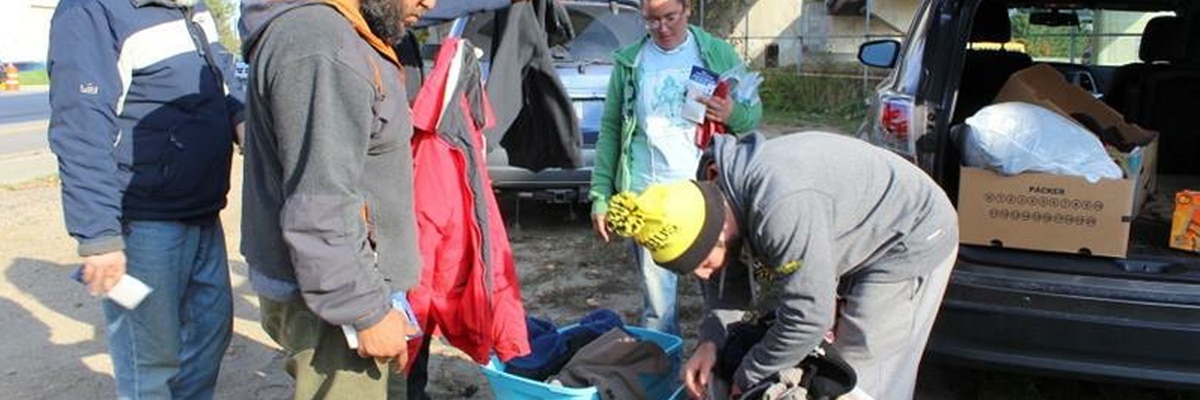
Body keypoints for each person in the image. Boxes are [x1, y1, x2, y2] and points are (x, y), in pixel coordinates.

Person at [606, 132, 959, 400]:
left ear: (718, 232)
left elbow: (808, 316)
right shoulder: (712, 193)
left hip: (911, 233)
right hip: (852, 226)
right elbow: (726, 279)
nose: (701, 276)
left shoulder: (779, 206)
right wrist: (710, 341)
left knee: (857, 372)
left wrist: (748, 375)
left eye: (700, 264)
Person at [238, 0, 435, 398]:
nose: (430, 2)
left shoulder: (341, 33)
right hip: (336, 300)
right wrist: (365, 311)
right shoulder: (322, 42)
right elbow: (319, 202)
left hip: (352, 282)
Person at [46, 0, 243, 398]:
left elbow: (220, 76)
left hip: (203, 211)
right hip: (143, 223)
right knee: (151, 361)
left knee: (210, 336)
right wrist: (99, 236)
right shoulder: (91, 11)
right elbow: (81, 128)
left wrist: (242, 118)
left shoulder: (189, 8)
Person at [588, 0, 762, 335]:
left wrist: (731, 115)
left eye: (670, 17)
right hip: (648, 198)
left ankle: (720, 372)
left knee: (720, 296)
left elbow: (753, 115)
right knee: (658, 306)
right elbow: (611, 130)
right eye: (652, 21)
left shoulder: (715, 53)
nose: (662, 28)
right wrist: (601, 196)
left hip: (708, 198)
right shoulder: (630, 61)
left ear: (687, 11)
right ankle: (659, 375)